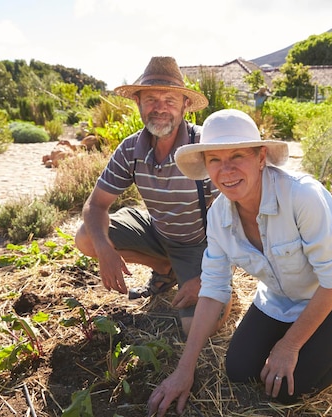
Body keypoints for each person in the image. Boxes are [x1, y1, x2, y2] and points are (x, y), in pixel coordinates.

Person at [147, 109, 332, 416]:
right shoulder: (219, 216)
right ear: (206, 167)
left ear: (260, 158)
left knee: (289, 388)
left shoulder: (302, 196)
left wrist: (288, 346)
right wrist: (184, 370)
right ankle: (305, 335)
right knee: (239, 370)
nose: (226, 170)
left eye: (238, 155)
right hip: (281, 296)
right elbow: (214, 288)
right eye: (215, 159)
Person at [75, 56, 222, 336]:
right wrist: (105, 250)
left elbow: (240, 220)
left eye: (170, 100)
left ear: (185, 105)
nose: (160, 108)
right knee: (86, 237)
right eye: (151, 99)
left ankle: (191, 275)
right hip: (157, 233)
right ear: (138, 103)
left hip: (200, 246)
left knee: (200, 330)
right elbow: (95, 205)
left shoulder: (204, 146)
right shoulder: (131, 148)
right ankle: (163, 266)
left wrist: (206, 278)